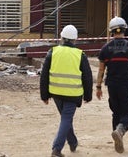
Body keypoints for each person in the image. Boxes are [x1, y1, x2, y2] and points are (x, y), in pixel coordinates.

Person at [40, 24, 93, 157]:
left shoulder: (53, 52)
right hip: (72, 94)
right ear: (75, 40)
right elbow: (87, 77)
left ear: (61, 37)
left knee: (66, 119)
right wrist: (88, 95)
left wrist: (44, 95)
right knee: (66, 119)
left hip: (56, 93)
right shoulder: (80, 55)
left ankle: (73, 142)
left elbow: (44, 75)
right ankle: (56, 149)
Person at [96, 16, 128, 153]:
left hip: (111, 85)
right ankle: (120, 131)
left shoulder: (105, 49)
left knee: (116, 112)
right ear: (124, 30)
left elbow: (101, 70)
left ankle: (117, 135)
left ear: (111, 32)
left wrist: (98, 87)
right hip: (126, 85)